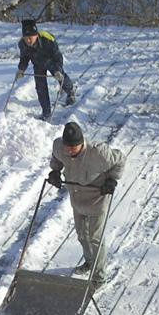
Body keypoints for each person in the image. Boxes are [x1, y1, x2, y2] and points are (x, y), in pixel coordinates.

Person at [47, 122, 125, 287]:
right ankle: (89, 262)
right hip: (77, 197)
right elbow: (56, 157)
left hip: (97, 197)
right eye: (67, 147)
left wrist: (112, 180)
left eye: (74, 147)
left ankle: (99, 276)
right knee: (82, 235)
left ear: (82, 142)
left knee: (95, 238)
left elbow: (120, 160)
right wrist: (55, 171)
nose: (69, 150)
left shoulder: (99, 153)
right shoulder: (59, 146)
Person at [16, 19, 77, 120]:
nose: (28, 41)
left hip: (51, 61)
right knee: (40, 87)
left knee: (61, 77)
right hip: (37, 64)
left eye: (30, 38)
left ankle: (70, 92)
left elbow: (57, 57)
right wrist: (21, 70)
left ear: (36, 35)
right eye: (26, 38)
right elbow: (24, 58)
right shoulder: (22, 44)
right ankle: (46, 112)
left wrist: (57, 70)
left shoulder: (47, 39)